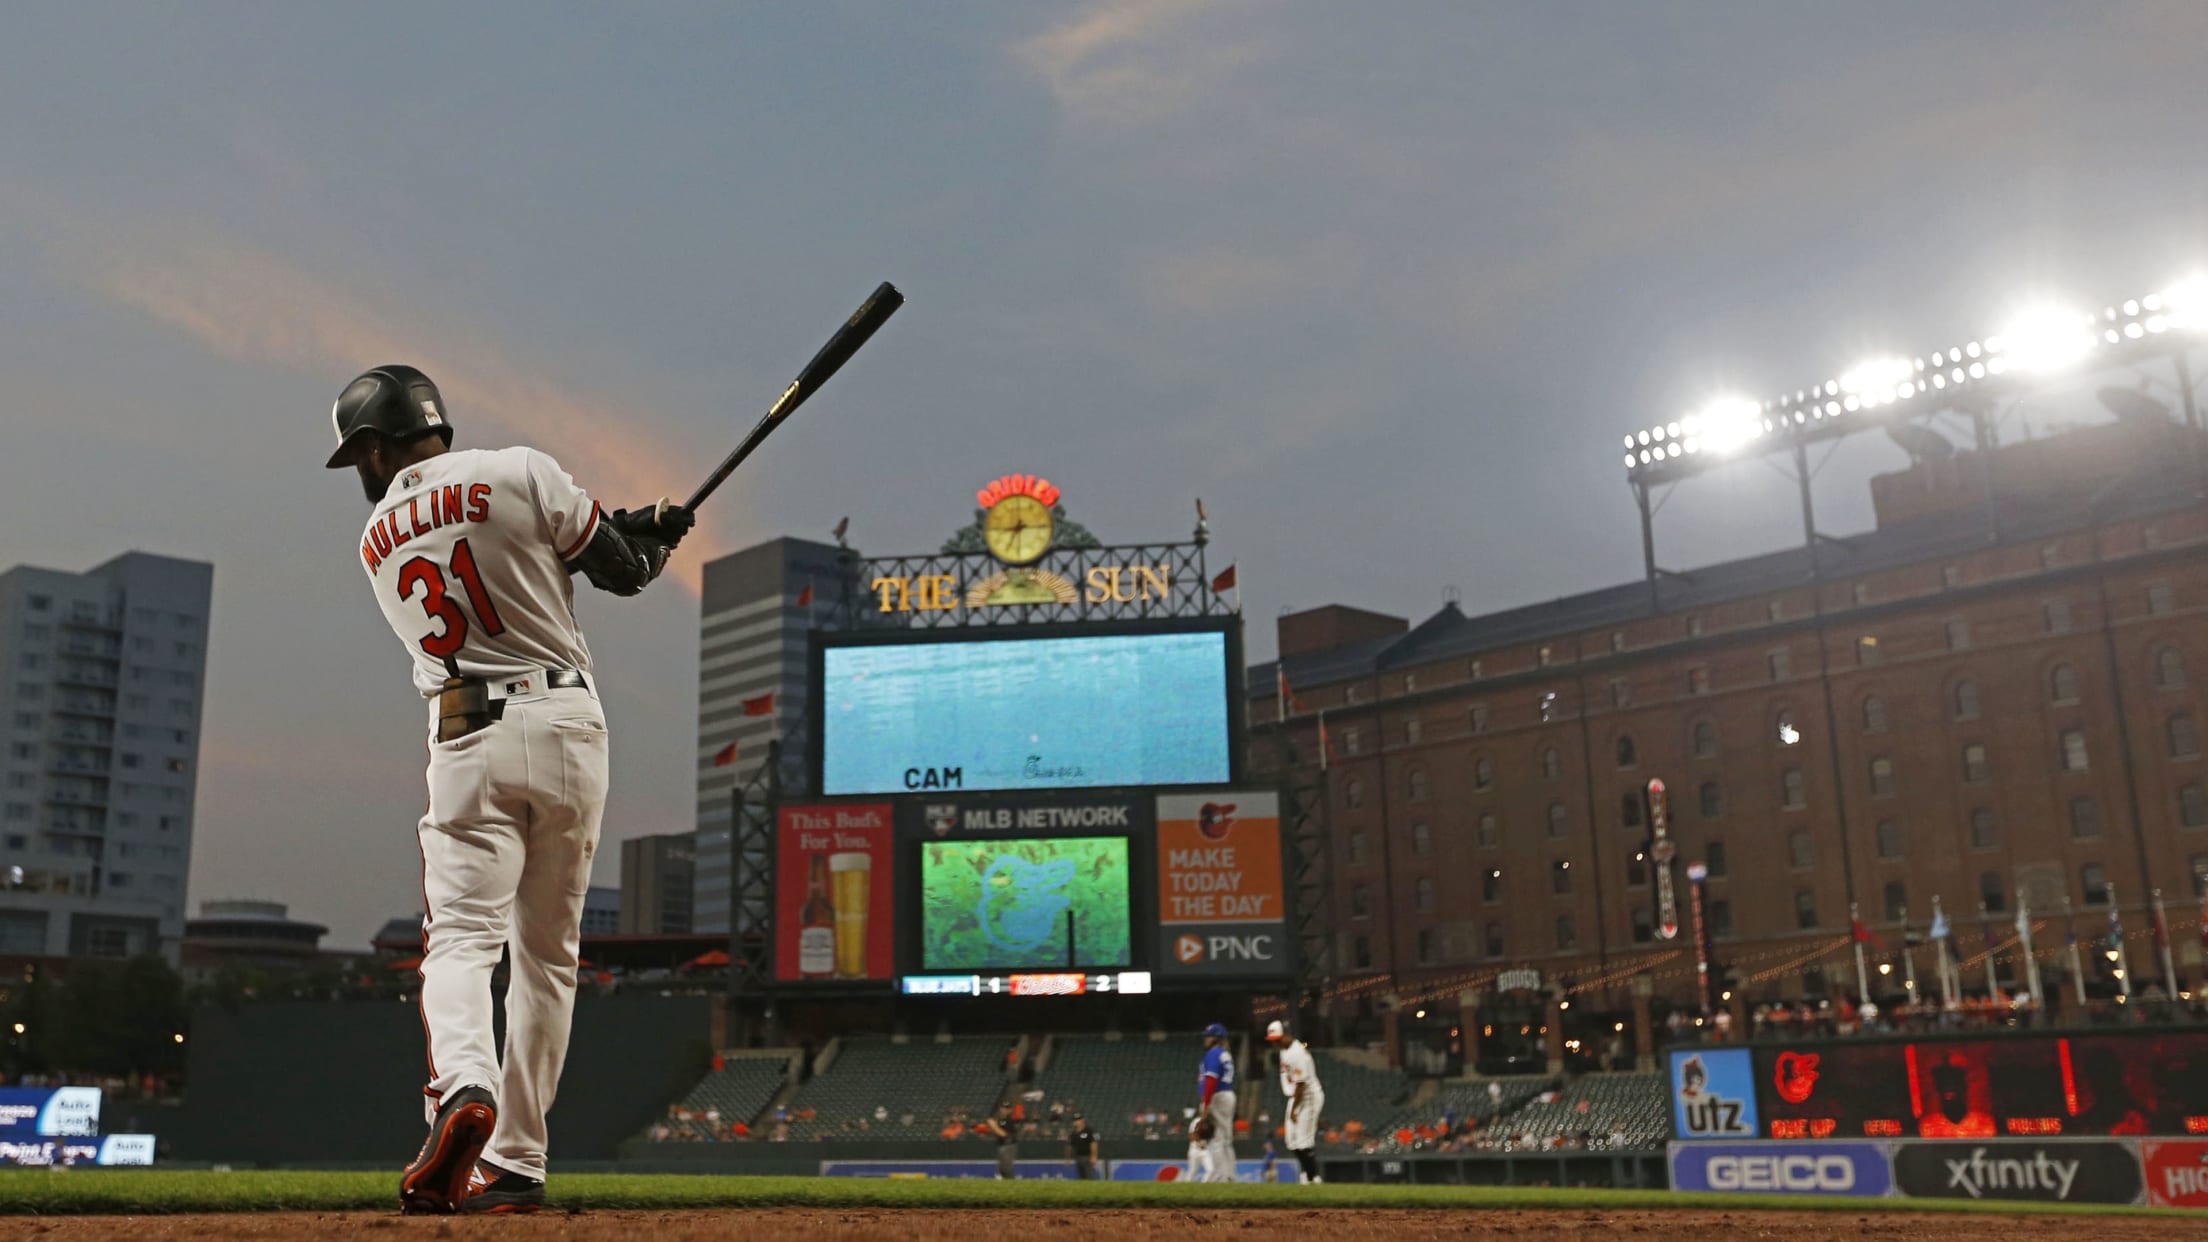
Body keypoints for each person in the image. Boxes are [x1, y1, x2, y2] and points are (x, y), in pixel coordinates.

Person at [323, 365, 691, 1215]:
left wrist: (637, 529)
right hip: (567, 725)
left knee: (459, 941)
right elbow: (622, 570)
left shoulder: (377, 537)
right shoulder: (521, 468)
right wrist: (657, 536)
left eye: (359, 455)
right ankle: (519, 1160)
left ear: (378, 446)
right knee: (547, 958)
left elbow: (504, 550)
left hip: (464, 737)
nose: (361, 473)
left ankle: (463, 1088)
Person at [1265, 1019, 1324, 1184]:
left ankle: (1313, 1178)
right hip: (1295, 1097)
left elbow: (1300, 1085)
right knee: (1291, 1140)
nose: (1275, 1043)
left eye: (1277, 1039)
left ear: (1286, 1035)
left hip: (1308, 1097)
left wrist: (1293, 1109)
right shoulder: (1285, 1049)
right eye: (1273, 1040)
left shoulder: (1297, 1053)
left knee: (1304, 1140)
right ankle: (1307, 1173)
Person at [1199, 1022, 1238, 1182]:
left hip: (1217, 1096)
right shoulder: (1225, 1053)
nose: (1206, 1038)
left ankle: (1220, 1177)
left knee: (1216, 1140)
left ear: (1217, 1038)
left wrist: (1206, 1104)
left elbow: (1211, 1080)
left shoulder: (1214, 1054)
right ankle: (1230, 1176)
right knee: (1226, 1139)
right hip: (1227, 1095)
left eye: (1209, 1036)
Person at [982, 1103, 1019, 1180]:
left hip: (1008, 1145)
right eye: (1003, 1108)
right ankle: (1005, 1183)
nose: (1004, 1110)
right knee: (1002, 1168)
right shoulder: (1001, 1120)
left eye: (1007, 1108)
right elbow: (996, 1132)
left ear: (1010, 1110)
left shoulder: (1009, 1120)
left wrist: (993, 1125)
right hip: (1001, 1145)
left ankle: (1011, 1183)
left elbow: (1004, 1134)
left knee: (1006, 1168)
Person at [1068, 1112, 1100, 1180]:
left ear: (1082, 1120)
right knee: (1082, 1177)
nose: (1076, 1122)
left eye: (1078, 1120)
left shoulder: (1089, 1130)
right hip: (1078, 1156)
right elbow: (1071, 1146)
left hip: (1087, 1156)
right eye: (1075, 1120)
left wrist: (1094, 1156)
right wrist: (1069, 1158)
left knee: (1089, 1176)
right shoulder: (1073, 1133)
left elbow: (1094, 1143)